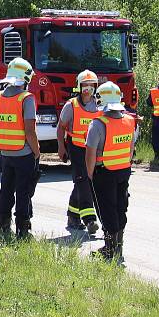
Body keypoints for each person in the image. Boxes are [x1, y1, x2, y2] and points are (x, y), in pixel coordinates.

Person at [86, 81, 136, 261]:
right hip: (124, 170)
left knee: (106, 210)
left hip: (103, 173)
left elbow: (90, 153)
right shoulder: (130, 121)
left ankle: (109, 248)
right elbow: (130, 149)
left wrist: (90, 173)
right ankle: (118, 247)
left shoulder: (97, 124)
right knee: (121, 207)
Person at [0, 57, 40, 239]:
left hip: (6, 152)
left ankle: (4, 225)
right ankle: (23, 229)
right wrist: (37, 152)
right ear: (25, 78)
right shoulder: (26, 99)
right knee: (24, 192)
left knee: (6, 189)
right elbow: (30, 131)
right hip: (24, 153)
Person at [57, 70, 101, 235]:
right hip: (75, 148)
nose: (88, 89)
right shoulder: (71, 106)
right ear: (79, 86)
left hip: (92, 149)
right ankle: (90, 219)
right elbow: (61, 128)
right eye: (85, 85)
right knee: (83, 180)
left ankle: (72, 216)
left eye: (91, 85)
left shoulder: (99, 105)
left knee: (82, 182)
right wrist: (61, 147)